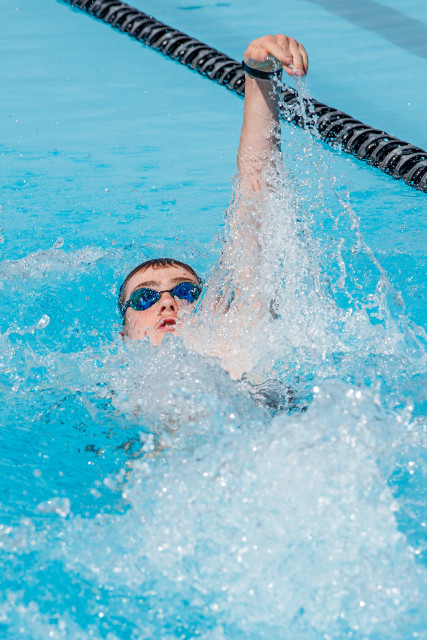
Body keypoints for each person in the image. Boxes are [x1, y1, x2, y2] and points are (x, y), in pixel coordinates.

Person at [118, 34, 308, 348]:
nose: (167, 303)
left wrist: (260, 77)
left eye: (185, 292)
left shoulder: (235, 348)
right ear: (123, 335)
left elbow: (255, 198)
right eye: (144, 298)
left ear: (213, 310)